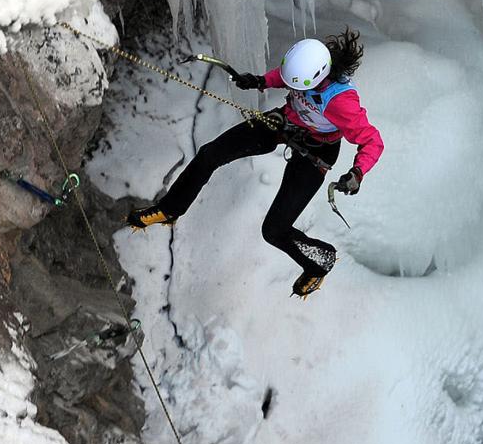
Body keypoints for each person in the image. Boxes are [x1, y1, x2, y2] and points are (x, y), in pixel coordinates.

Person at [126, 29, 383, 298]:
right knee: (209, 154)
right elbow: (285, 78)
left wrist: (357, 172)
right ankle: (170, 209)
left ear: (316, 80)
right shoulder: (306, 67)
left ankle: (319, 261)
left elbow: (373, 141)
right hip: (283, 124)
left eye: (298, 87)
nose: (292, 88)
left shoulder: (342, 103)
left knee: (274, 230)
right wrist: (261, 81)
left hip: (316, 153)